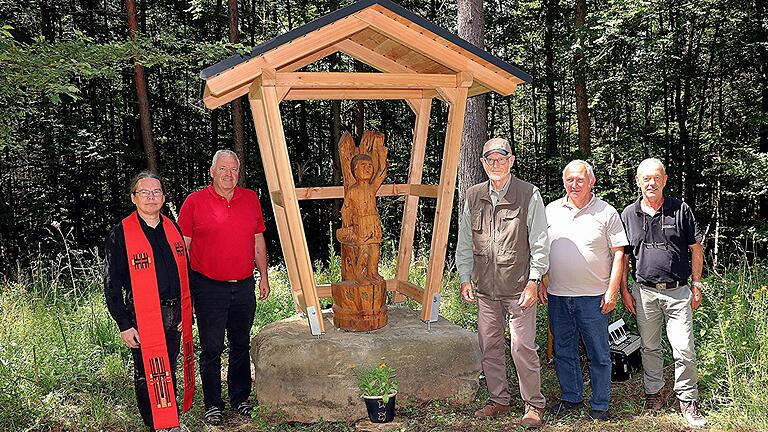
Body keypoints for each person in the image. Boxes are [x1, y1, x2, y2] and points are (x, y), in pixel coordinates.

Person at [455, 137, 549, 428]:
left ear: (511, 161)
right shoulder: (473, 195)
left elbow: (540, 243)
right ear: (483, 163)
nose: (495, 164)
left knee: (522, 347)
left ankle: (533, 405)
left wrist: (535, 281)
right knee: (490, 345)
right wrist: (464, 276)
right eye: (490, 160)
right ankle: (499, 399)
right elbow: (465, 242)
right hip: (485, 289)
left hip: (519, 287)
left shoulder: (528, 194)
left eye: (501, 159)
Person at [177, 149, 270, 425]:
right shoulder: (194, 202)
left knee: (240, 344)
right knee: (211, 347)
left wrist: (263, 275)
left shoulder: (250, 199)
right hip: (208, 287)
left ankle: (240, 398)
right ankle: (213, 403)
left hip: (243, 286)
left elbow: (258, 241)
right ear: (212, 171)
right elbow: (183, 248)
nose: (228, 175)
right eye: (223, 169)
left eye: (233, 170)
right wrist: (186, 290)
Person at [104, 171, 194, 432]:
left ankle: (171, 421)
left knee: (169, 366)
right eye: (144, 192)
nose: (151, 197)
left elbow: (185, 271)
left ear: (164, 197)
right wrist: (124, 324)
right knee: (148, 373)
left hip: (174, 312)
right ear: (134, 197)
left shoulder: (172, 228)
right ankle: (157, 425)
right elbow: (111, 284)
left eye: (156, 192)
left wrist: (187, 312)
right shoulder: (121, 234)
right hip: (141, 316)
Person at [620, 158, 707, 428]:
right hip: (644, 292)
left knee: (683, 348)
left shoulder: (680, 209)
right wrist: (624, 289)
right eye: (645, 178)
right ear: (637, 181)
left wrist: (696, 284)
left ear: (665, 179)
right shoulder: (628, 214)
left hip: (678, 291)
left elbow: (696, 249)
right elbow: (622, 257)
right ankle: (653, 394)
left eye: (656, 177)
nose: (651, 182)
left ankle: (687, 400)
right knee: (649, 347)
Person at [541, 160, 627, 421]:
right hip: (557, 295)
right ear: (563, 182)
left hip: (594, 298)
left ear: (592, 181)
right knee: (563, 351)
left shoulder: (606, 212)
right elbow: (541, 249)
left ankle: (600, 405)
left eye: (580, 179)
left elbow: (619, 254)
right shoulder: (550, 210)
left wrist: (612, 290)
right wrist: (542, 280)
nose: (574, 184)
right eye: (569, 180)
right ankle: (571, 398)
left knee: (598, 353)